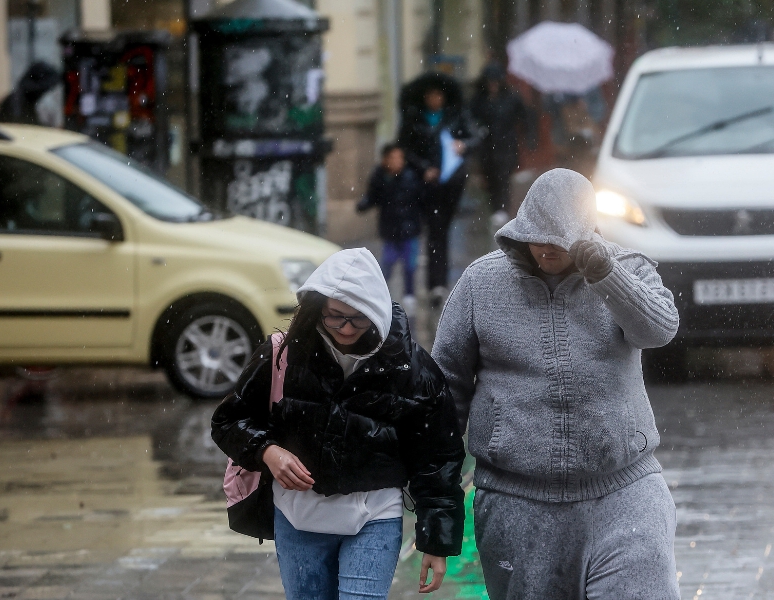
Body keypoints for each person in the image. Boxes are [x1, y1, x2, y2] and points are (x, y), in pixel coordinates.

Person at [432, 168, 681, 599]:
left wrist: (607, 275)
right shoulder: (480, 283)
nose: (547, 247)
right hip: (517, 503)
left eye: (559, 238)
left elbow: (659, 330)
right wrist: (437, 494)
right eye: (537, 235)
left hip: (624, 491)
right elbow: (444, 391)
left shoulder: (627, 268)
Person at [212, 248, 465, 600]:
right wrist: (268, 452)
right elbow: (228, 420)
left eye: (357, 319)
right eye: (334, 317)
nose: (345, 328)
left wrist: (437, 542)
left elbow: (437, 457)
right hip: (297, 517)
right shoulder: (283, 354)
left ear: (375, 312)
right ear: (318, 307)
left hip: (375, 517)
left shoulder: (411, 369)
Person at [398, 72, 478, 307]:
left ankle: (438, 284)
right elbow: (405, 149)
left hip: (451, 183)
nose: (435, 99)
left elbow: (474, 137)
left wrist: (463, 145)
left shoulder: (456, 116)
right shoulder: (414, 120)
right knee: (434, 231)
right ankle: (435, 284)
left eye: (438, 95)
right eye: (431, 95)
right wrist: (424, 168)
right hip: (426, 185)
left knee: (440, 230)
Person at [357, 143, 424, 317]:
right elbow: (373, 196)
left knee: (409, 265)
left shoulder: (410, 177)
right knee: (387, 264)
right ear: (385, 160)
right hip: (390, 230)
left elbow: (421, 199)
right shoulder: (379, 177)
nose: (397, 162)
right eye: (393, 158)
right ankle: (380, 297)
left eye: (399, 158)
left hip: (409, 230)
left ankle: (409, 295)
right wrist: (364, 204)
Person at [469, 62, 536, 226]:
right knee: (491, 177)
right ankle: (496, 208)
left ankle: (502, 209)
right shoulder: (479, 100)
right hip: (486, 145)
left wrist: (529, 137)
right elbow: (471, 119)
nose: (492, 85)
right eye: (489, 82)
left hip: (506, 144)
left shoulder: (511, 98)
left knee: (503, 176)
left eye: (495, 81)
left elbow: (525, 118)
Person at [0, 62, 60, 126]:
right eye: (45, 89)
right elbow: (20, 127)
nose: (44, 93)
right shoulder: (17, 102)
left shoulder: (27, 100)